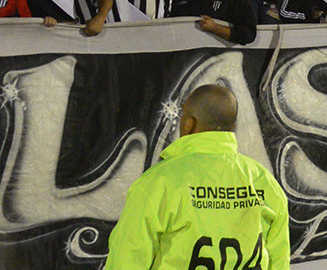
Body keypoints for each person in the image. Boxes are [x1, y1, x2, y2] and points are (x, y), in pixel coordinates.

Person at [106, 85, 290, 270]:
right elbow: (279, 263)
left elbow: (126, 262)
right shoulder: (265, 183)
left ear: (189, 124)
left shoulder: (158, 184)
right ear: (233, 126)